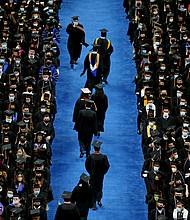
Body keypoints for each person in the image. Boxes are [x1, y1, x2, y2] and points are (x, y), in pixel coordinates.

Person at [85, 140, 110, 210]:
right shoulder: (103, 157)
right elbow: (107, 166)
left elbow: (87, 165)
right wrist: (102, 173)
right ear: (99, 148)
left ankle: (93, 204)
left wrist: (90, 172)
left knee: (92, 189)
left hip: (92, 175)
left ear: (94, 148)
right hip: (100, 176)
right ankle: (99, 200)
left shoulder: (90, 157)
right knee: (99, 187)